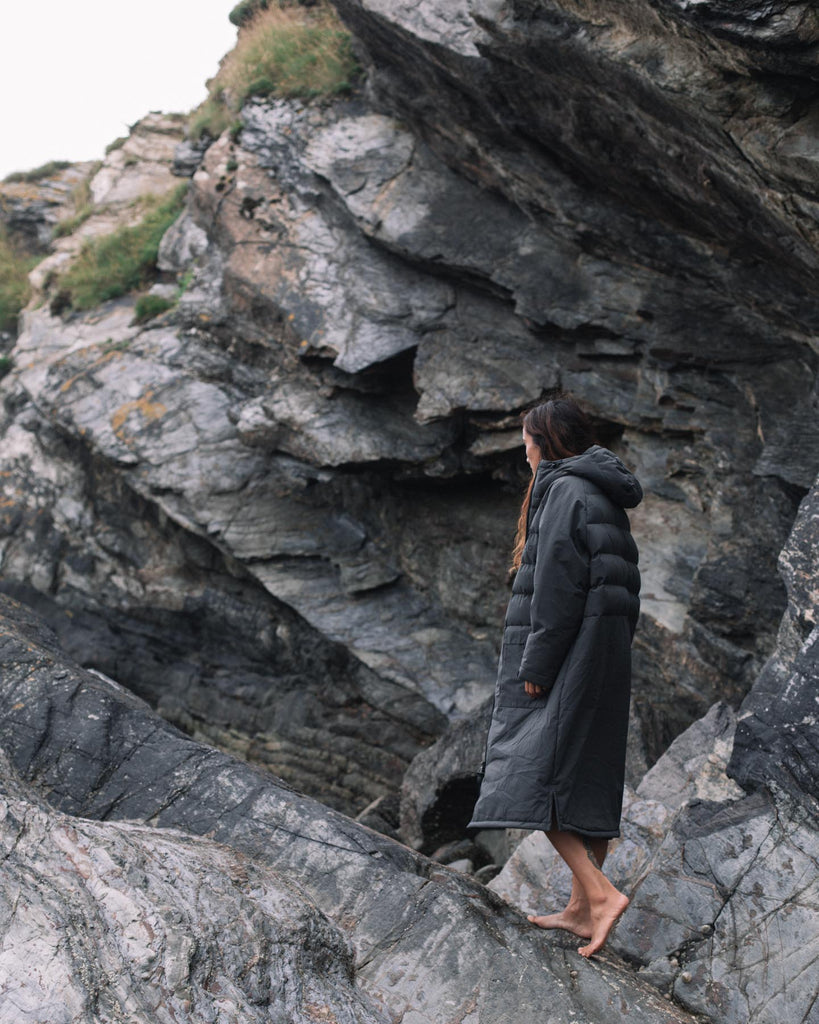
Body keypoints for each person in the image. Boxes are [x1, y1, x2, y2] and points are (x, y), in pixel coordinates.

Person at [468, 396, 642, 957]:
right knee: (586, 778)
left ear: (544, 440)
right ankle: (578, 909)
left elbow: (558, 588)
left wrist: (536, 668)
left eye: (526, 438)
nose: (523, 448)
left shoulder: (564, 490)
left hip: (568, 652)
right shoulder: (601, 491)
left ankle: (601, 894)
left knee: (531, 775)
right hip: (605, 649)